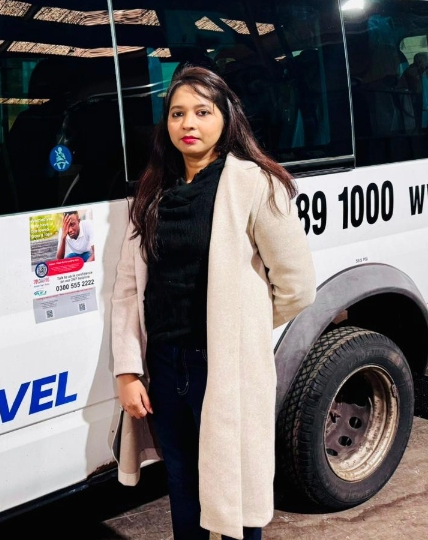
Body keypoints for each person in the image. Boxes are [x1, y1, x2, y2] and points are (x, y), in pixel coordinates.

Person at [111, 66, 316, 540]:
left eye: (202, 112)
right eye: (178, 113)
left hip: (223, 365)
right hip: (165, 367)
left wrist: (242, 326)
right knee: (184, 489)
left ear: (226, 117)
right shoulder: (152, 191)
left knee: (237, 493)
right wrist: (127, 371)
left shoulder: (253, 183)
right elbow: (127, 288)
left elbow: (297, 285)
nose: (189, 124)